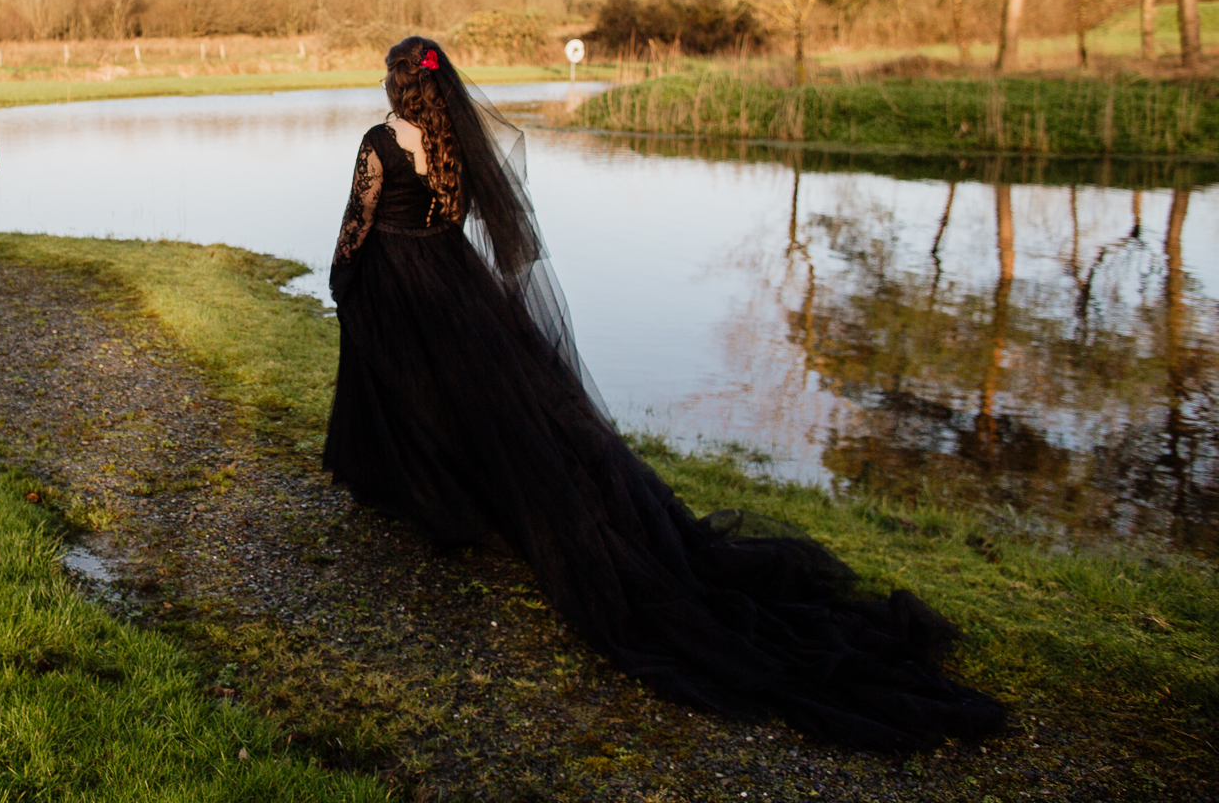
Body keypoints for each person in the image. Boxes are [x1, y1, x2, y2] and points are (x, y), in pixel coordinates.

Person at [321, 36, 1006, 752]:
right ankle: (453, 506)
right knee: (481, 407)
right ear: (440, 86)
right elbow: (466, 219)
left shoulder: (381, 140)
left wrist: (346, 279)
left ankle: (431, 502)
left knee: (415, 392)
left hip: (402, 280)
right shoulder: (455, 137)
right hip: (455, 280)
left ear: (398, 86)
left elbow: (355, 225)